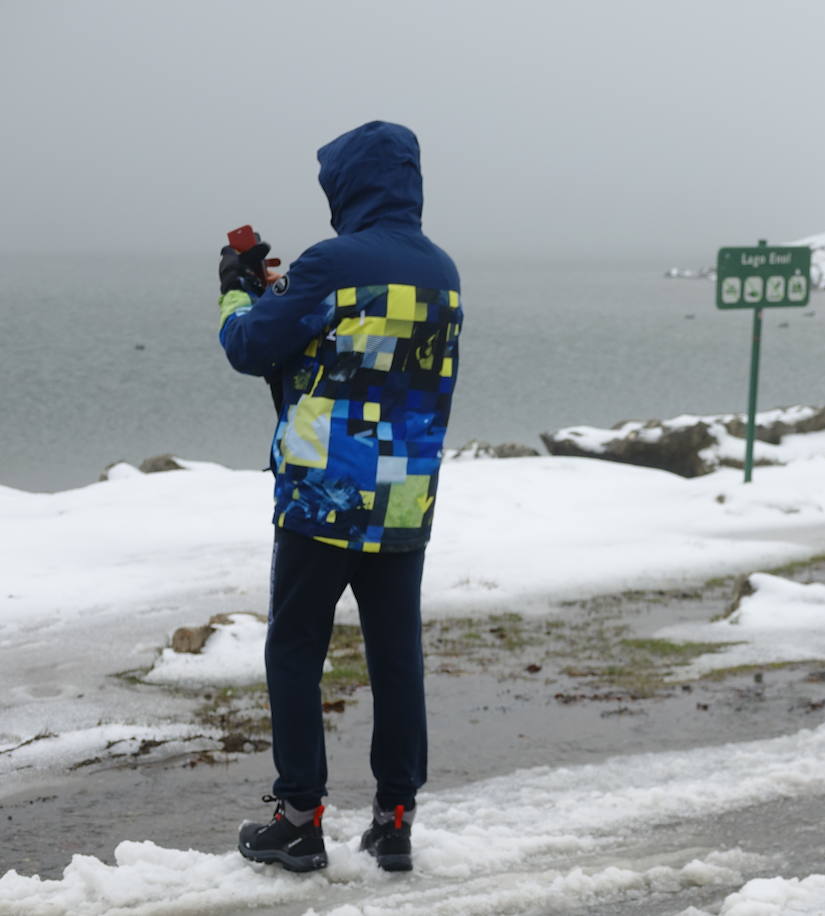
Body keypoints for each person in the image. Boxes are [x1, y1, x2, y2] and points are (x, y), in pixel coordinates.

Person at [216, 121, 463, 871]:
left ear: (347, 185)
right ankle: (395, 821)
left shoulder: (332, 262)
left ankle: (298, 821)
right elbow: (369, 357)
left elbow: (249, 347)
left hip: (324, 497)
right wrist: (287, 296)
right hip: (403, 498)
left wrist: (237, 292)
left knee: (295, 650)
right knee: (395, 659)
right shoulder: (443, 271)